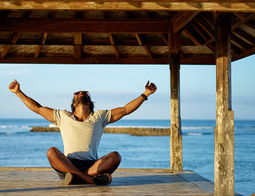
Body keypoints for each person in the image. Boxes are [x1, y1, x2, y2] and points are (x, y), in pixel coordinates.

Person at [9, 79, 157, 185]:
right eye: (77, 92)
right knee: (51, 152)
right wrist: (18, 92)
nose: (81, 92)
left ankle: (79, 178)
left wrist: (145, 94)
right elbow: (38, 108)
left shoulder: (99, 117)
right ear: (74, 103)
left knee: (116, 156)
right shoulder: (62, 116)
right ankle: (88, 179)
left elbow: (125, 110)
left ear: (89, 102)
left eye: (84, 92)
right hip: (67, 165)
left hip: (92, 166)